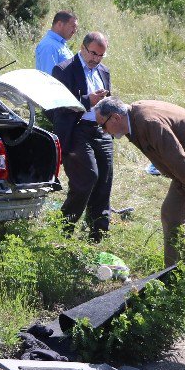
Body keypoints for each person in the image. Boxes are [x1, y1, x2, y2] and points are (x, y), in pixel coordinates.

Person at [94, 96, 185, 266]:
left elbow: (176, 157)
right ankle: (173, 272)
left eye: (103, 125)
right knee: (170, 213)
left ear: (116, 117)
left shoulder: (148, 122)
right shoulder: (131, 121)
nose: (104, 131)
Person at [50, 32, 113, 241]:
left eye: (101, 55)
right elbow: (58, 106)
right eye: (94, 53)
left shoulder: (103, 71)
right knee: (87, 178)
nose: (96, 59)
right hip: (76, 130)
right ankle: (64, 229)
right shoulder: (64, 70)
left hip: (100, 130)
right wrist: (88, 101)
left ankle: (97, 234)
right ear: (83, 48)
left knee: (104, 179)